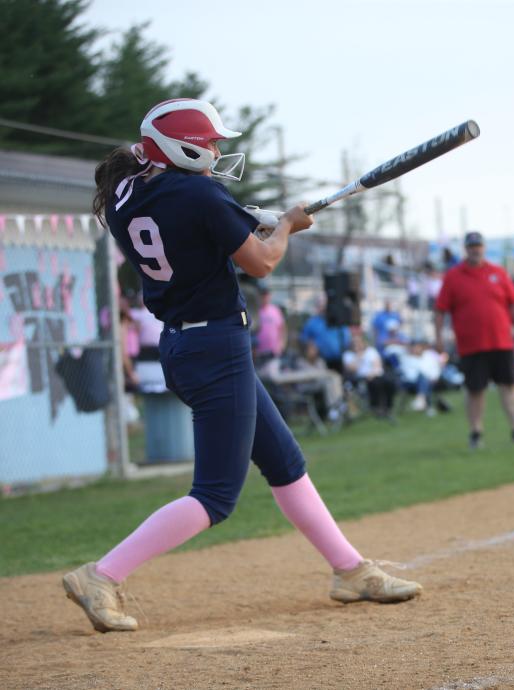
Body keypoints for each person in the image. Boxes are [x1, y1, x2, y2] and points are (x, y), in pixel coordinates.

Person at [65, 98, 420, 634]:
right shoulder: (199, 192)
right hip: (215, 347)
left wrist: (249, 219)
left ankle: (351, 570)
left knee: (284, 461)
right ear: (180, 148)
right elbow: (262, 261)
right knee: (214, 496)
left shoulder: (124, 190)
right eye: (207, 143)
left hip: (185, 346)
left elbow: (193, 222)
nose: (214, 152)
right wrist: (286, 228)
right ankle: (102, 574)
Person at [434, 231, 514, 449]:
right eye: (471, 246)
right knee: (475, 390)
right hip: (471, 345)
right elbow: (440, 310)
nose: (475, 249)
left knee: (508, 385)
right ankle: (476, 433)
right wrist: (438, 337)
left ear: (484, 247)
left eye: (478, 246)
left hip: (501, 341)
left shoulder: (497, 272)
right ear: (465, 249)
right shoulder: (453, 276)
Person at [300, 295, 351, 372]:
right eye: (319, 305)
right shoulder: (311, 322)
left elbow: (346, 336)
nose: (322, 307)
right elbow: (304, 340)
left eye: (324, 305)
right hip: (321, 361)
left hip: (340, 360)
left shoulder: (337, 320)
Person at [256, 286, 286, 360]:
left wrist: (281, 345)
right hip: (259, 352)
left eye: (266, 295)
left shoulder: (275, 310)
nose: (264, 297)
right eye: (263, 295)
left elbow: (283, 329)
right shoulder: (256, 311)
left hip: (273, 352)